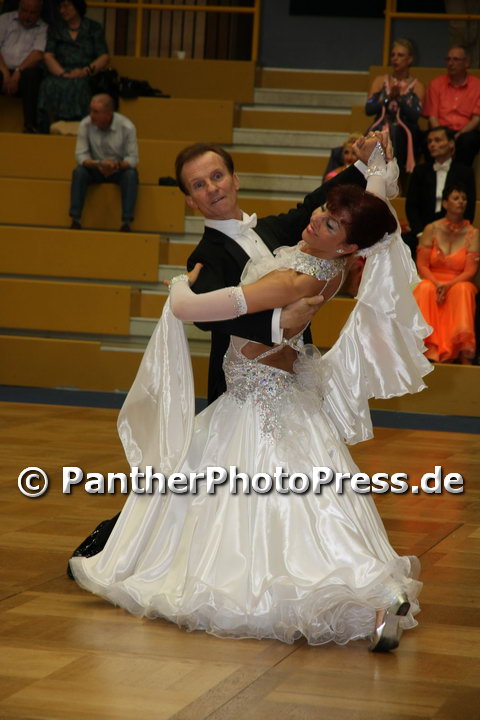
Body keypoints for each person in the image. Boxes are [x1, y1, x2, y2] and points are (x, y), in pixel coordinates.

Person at [69, 139, 432, 653]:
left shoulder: (286, 237)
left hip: (264, 391)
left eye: (217, 176)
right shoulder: (216, 253)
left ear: (234, 179)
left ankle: (329, 592)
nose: (212, 188)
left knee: (238, 503)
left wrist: (180, 289)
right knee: (300, 503)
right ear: (190, 199)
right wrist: (279, 326)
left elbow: (335, 212)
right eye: (199, 185)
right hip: (262, 385)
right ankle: (370, 592)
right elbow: (226, 316)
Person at [414, 184, 479, 364]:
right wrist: (437, 283)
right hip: (432, 278)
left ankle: (461, 349)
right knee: (424, 288)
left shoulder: (474, 233)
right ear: (444, 203)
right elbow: (422, 265)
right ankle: (424, 347)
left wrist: (448, 285)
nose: (461, 202)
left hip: (458, 280)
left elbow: (471, 271)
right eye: (456, 198)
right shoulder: (431, 229)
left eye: (464, 199)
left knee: (463, 289)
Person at [69, 93, 139, 232]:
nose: (91, 115)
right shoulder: (85, 124)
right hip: (95, 168)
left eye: (95, 112)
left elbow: (133, 159)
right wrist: (98, 164)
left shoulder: (127, 127)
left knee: (131, 175)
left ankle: (126, 222)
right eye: (91, 110)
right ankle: (75, 220)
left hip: (118, 169)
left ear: (108, 114)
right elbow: (80, 155)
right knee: (79, 172)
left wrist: (116, 165)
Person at [36, 0, 109, 132]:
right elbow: (48, 56)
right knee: (48, 84)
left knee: (81, 85)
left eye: (66, 6)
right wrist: (63, 73)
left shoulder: (94, 28)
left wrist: (84, 71)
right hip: (61, 72)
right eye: (60, 7)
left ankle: (81, 128)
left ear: (77, 6)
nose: (62, 10)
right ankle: (50, 128)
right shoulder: (55, 29)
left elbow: (103, 56)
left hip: (86, 73)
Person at [404, 125, 476, 257]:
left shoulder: (465, 172)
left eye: (437, 140)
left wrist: (453, 234)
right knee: (402, 244)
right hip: (422, 230)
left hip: (454, 232)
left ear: (451, 143)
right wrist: (421, 234)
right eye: (430, 141)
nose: (432, 145)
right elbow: (411, 206)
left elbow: (469, 209)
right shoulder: (420, 171)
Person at [365, 38, 424, 177]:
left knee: (396, 132)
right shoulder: (380, 81)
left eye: (400, 55)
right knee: (378, 134)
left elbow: (415, 115)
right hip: (381, 125)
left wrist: (400, 100)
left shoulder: (417, 85)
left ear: (410, 59)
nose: (395, 59)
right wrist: (387, 99)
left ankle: (396, 177)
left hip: (406, 130)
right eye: (393, 55)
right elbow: (369, 109)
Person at [423, 45, 480, 166]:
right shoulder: (436, 84)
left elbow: (476, 119)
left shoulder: (477, 85)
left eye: (455, 59)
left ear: (466, 63)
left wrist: (458, 135)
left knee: (467, 141)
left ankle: (459, 176)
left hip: (466, 131)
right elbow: (432, 116)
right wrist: (441, 136)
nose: (451, 63)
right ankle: (434, 176)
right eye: (448, 59)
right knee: (427, 140)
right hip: (441, 128)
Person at [0, 0, 47, 133]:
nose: (27, 16)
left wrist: (18, 72)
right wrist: (5, 73)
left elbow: (38, 54)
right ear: (19, 8)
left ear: (39, 12)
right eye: (24, 11)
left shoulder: (44, 27)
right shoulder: (4, 19)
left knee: (32, 75)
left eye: (32, 13)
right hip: (2, 68)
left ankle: (30, 126)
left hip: (24, 73)